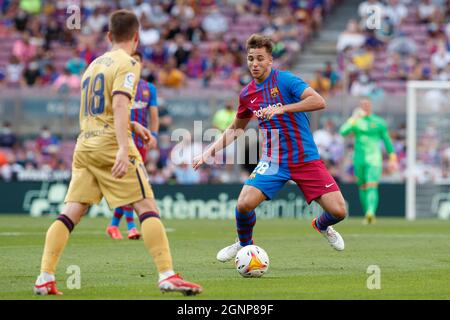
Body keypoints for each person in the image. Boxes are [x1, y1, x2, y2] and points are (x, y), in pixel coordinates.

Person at [33, 10, 202, 296]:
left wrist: (132, 124)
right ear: (136, 38)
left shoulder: (93, 65)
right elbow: (121, 104)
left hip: (85, 144)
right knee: (147, 208)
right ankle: (167, 274)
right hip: (111, 145)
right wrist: (124, 147)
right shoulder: (129, 62)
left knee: (71, 212)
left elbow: (99, 110)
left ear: (109, 36)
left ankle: (44, 277)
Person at [193, 34, 347, 263]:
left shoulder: (286, 81)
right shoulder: (246, 94)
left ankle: (321, 226)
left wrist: (283, 109)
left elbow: (319, 101)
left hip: (305, 158)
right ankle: (245, 246)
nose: (254, 64)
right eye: (250, 59)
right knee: (244, 204)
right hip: (273, 160)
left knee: (338, 212)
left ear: (270, 60)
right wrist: (209, 151)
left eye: (260, 59)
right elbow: (236, 127)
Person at [106, 51, 159, 241]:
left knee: (132, 184)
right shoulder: (119, 84)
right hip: (123, 141)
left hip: (141, 142)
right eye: (132, 61)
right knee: (131, 183)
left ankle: (113, 225)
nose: (134, 64)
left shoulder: (148, 88)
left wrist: (153, 134)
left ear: (142, 64)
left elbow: (153, 114)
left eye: (137, 61)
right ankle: (130, 227)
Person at [339, 97, 398, 224]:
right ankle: (367, 214)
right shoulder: (356, 121)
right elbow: (343, 132)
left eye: (367, 104)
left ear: (371, 105)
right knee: (362, 187)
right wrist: (353, 118)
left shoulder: (379, 122)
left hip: (374, 159)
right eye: (362, 104)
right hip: (359, 159)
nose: (365, 106)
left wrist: (393, 158)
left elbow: (387, 141)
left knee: (372, 185)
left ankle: (371, 211)